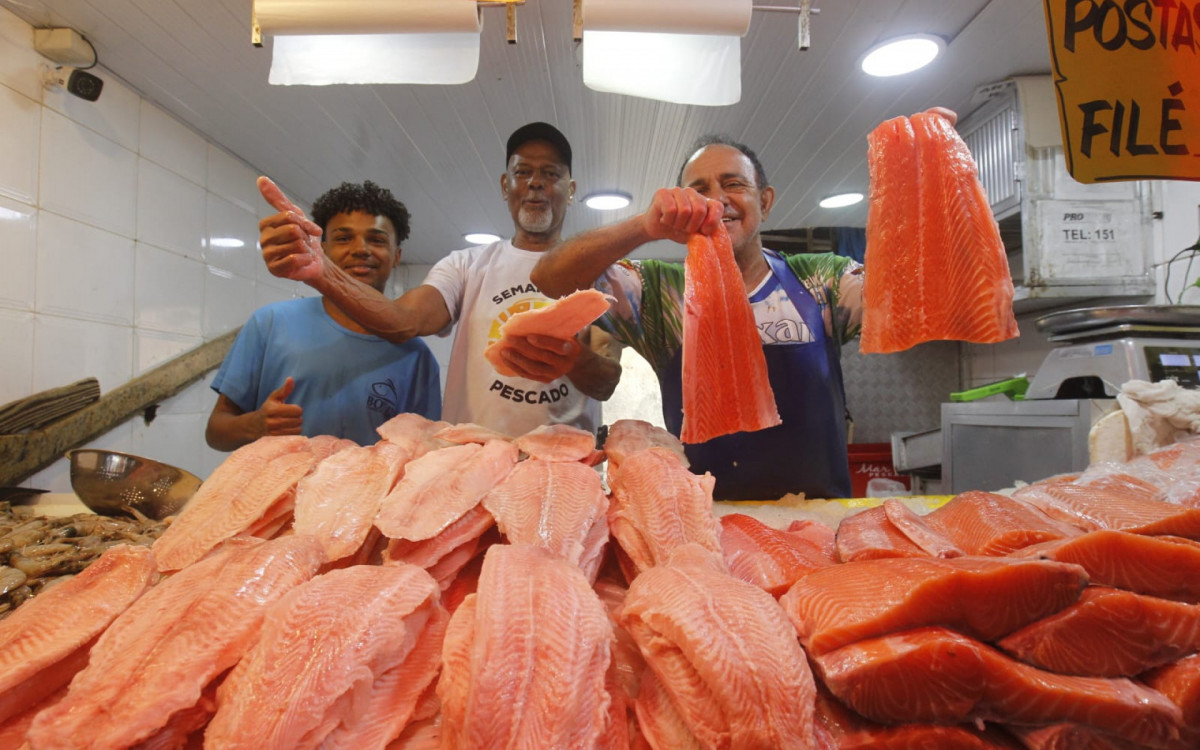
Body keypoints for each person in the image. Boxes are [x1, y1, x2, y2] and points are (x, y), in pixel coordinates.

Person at [532, 134, 870, 501]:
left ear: (766, 200)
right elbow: (549, 278)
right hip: (705, 526)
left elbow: (910, 297)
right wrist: (645, 226)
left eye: (733, 184)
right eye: (698, 190)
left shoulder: (823, 280)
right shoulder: (658, 291)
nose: (716, 200)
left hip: (819, 522)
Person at [256, 122, 620, 437]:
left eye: (551, 173)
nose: (536, 183)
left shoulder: (600, 271)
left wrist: (569, 358)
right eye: (523, 172)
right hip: (474, 469)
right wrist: (322, 271)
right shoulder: (466, 265)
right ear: (505, 185)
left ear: (571, 190)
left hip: (564, 468)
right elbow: (403, 322)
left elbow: (606, 381)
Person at [206, 181, 441, 451]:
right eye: (343, 238)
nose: (361, 249)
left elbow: (425, 453)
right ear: (324, 249)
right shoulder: (270, 323)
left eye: (376, 240)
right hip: (277, 489)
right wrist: (256, 424)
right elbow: (216, 432)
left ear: (396, 255)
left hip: (368, 493)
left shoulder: (416, 357)